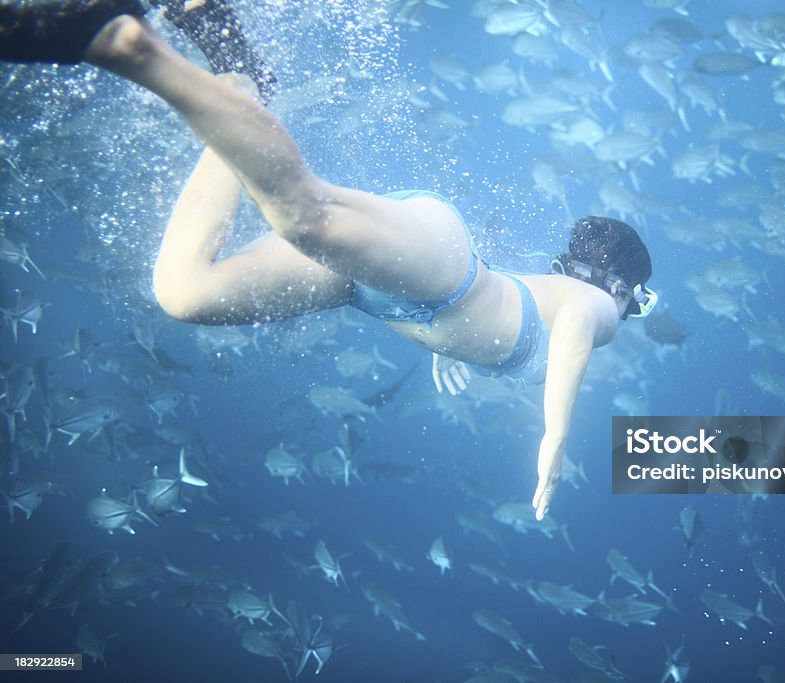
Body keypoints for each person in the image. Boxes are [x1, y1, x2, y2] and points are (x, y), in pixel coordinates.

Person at [0, 0, 658, 520]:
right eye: (639, 300)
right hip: (435, 273)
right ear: (622, 285)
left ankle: (238, 77)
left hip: (383, 288)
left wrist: (448, 347)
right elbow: (575, 319)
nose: (631, 312)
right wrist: (555, 439)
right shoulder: (597, 308)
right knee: (301, 213)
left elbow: (521, 306)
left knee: (184, 291)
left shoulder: (545, 292)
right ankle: (122, 41)